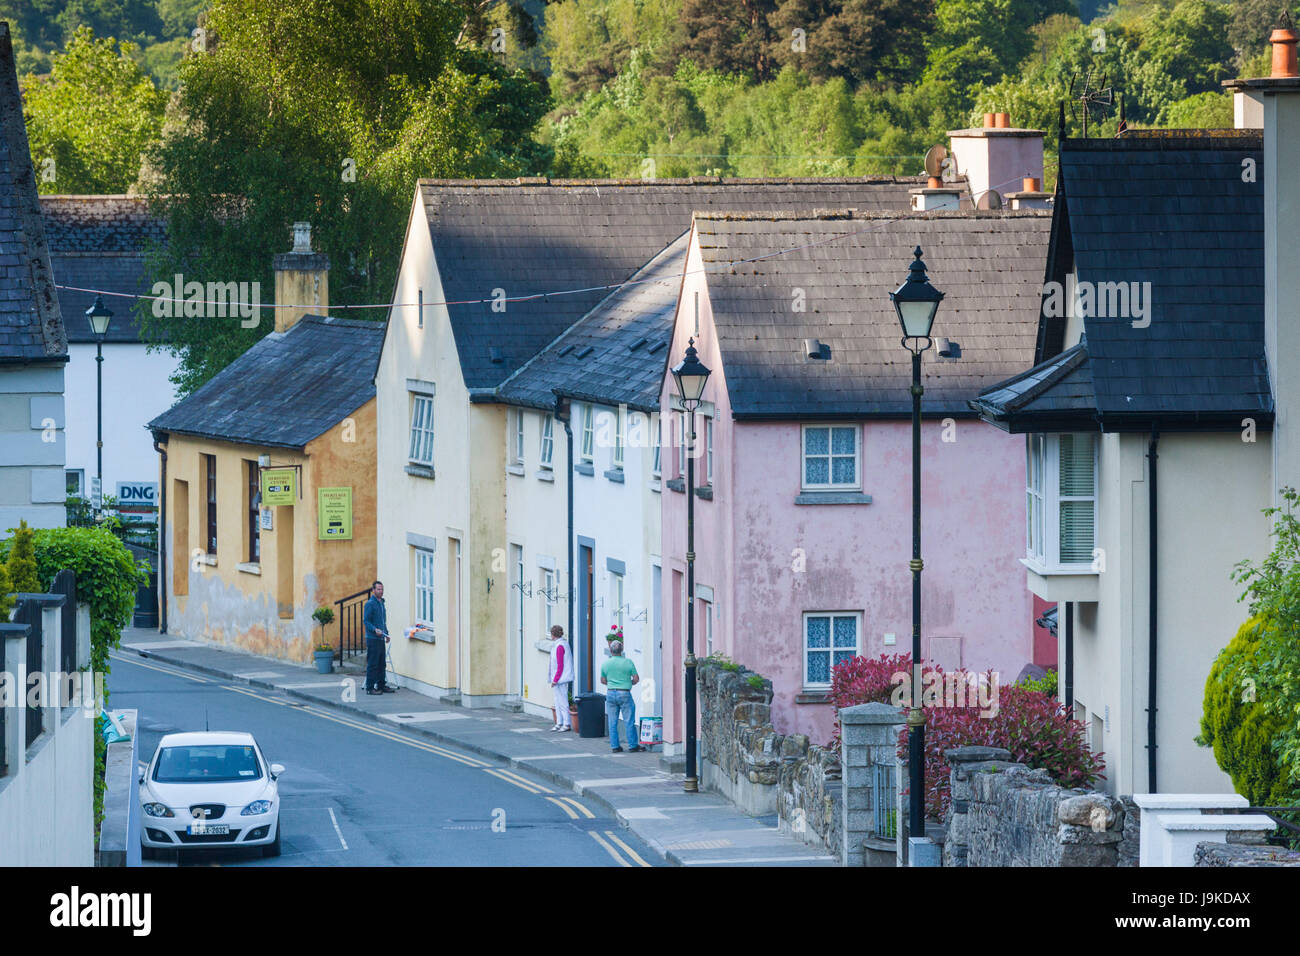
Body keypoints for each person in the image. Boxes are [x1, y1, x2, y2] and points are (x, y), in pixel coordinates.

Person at [600, 640, 643, 752]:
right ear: (622, 650)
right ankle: (633, 745)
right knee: (629, 720)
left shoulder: (606, 664)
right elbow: (636, 678)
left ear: (610, 650)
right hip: (624, 692)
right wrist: (629, 683)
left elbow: (603, 680)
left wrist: (611, 683)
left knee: (612, 721)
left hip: (610, 693)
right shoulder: (628, 662)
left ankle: (615, 746)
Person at [362, 580, 394, 695]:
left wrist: (386, 633)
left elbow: (382, 621)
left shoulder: (382, 603)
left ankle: (381, 685)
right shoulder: (370, 604)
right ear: (373, 590)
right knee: (373, 663)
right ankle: (370, 688)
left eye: (382, 589)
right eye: (379, 589)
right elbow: (366, 621)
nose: (381, 591)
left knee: (382, 663)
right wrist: (375, 630)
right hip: (372, 638)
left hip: (381, 638)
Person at [548, 625, 573, 731]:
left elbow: (560, 665)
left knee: (562, 701)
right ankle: (559, 722)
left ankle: (566, 723)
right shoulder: (558, 645)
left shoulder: (560, 646)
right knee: (557, 700)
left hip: (561, 679)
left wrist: (555, 679)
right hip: (559, 678)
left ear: (553, 634)